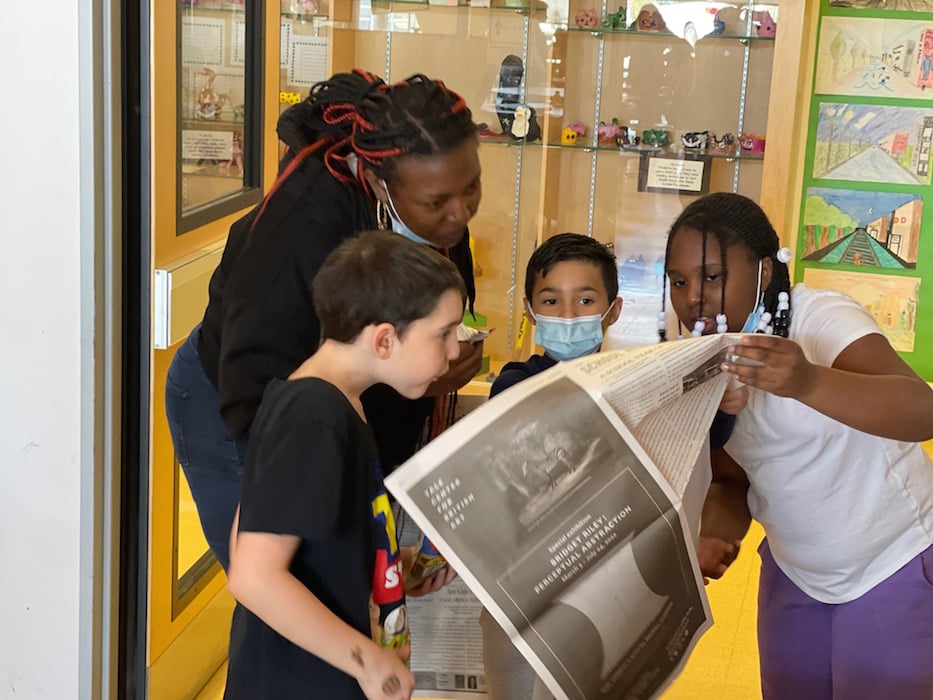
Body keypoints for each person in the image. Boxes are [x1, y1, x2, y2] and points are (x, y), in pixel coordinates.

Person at [164, 69, 484, 570]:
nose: (460, 214)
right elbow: (253, 388)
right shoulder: (304, 223)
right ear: (379, 183)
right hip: (240, 405)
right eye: (438, 202)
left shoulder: (429, 193)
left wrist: (439, 358)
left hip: (333, 411)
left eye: (472, 188)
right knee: (295, 590)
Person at [662, 192, 933, 699]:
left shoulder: (820, 318)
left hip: (891, 562)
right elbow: (732, 478)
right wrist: (711, 537)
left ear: (764, 272)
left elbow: (922, 410)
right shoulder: (699, 363)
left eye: (713, 276)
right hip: (796, 576)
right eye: (679, 281)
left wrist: (807, 381)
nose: (693, 296)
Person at [479, 233, 744, 699]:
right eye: (550, 301)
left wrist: (722, 406)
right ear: (529, 310)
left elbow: (700, 443)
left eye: (585, 300)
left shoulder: (631, 380)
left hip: (609, 599)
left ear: (613, 310)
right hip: (529, 598)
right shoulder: (516, 381)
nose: (567, 315)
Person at [223, 232, 467, 700]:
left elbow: (248, 536)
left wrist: (397, 569)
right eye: (444, 333)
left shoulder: (331, 401)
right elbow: (253, 576)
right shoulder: (314, 415)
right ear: (383, 340)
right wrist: (371, 662)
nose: (455, 350)